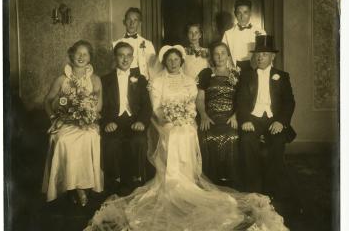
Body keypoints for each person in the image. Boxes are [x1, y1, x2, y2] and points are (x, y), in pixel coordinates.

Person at [84, 45, 289, 231]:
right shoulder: (157, 81)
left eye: (176, 60)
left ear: (181, 61)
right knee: (173, 133)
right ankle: (172, 179)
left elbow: (192, 105)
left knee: (188, 131)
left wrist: (185, 116)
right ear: (164, 62)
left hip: (185, 120)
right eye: (170, 60)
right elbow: (155, 108)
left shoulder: (190, 81)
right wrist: (170, 117)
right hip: (164, 121)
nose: (173, 63)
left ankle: (187, 177)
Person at [42, 40, 103, 206]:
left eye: (85, 54)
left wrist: (86, 113)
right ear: (71, 54)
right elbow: (47, 101)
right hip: (66, 122)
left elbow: (98, 106)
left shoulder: (95, 79)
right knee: (62, 140)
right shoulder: (62, 79)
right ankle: (71, 187)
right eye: (78, 53)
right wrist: (54, 118)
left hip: (86, 123)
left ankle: (82, 186)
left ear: (90, 57)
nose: (81, 57)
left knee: (89, 137)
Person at [237, 35, 296, 196]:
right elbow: (240, 101)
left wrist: (281, 122)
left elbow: (289, 103)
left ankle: (272, 188)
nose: (260, 57)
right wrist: (245, 120)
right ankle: (253, 188)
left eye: (264, 54)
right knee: (247, 140)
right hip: (253, 118)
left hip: (273, 119)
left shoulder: (282, 76)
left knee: (277, 141)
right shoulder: (246, 75)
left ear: (272, 56)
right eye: (258, 54)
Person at [101, 42, 152, 192]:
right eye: (121, 55)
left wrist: (142, 121)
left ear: (132, 58)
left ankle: (137, 177)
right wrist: (107, 122)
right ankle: (114, 179)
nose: (125, 59)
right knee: (111, 141)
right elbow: (100, 106)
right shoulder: (105, 80)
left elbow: (146, 105)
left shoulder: (140, 79)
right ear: (115, 57)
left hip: (134, 121)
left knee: (139, 140)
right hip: (114, 121)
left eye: (128, 56)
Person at [196, 42, 241, 189]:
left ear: (228, 55)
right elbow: (200, 98)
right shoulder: (205, 73)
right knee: (207, 136)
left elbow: (243, 99)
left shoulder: (236, 74)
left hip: (230, 116)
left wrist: (235, 116)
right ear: (212, 57)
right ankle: (211, 180)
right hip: (210, 116)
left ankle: (230, 180)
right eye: (216, 53)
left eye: (223, 53)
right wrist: (203, 115)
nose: (220, 56)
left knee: (233, 135)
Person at [222, 0, 266, 72]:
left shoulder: (261, 32)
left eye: (245, 12)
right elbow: (223, 55)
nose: (242, 17)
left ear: (250, 13)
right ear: (235, 14)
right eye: (239, 13)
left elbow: (266, 55)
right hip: (234, 71)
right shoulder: (228, 34)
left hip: (256, 70)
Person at [112, 7, 156, 80]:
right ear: (124, 22)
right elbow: (113, 67)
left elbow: (153, 67)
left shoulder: (148, 44)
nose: (132, 23)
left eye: (135, 20)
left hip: (142, 78)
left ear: (140, 23)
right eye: (129, 19)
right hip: (122, 77)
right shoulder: (115, 44)